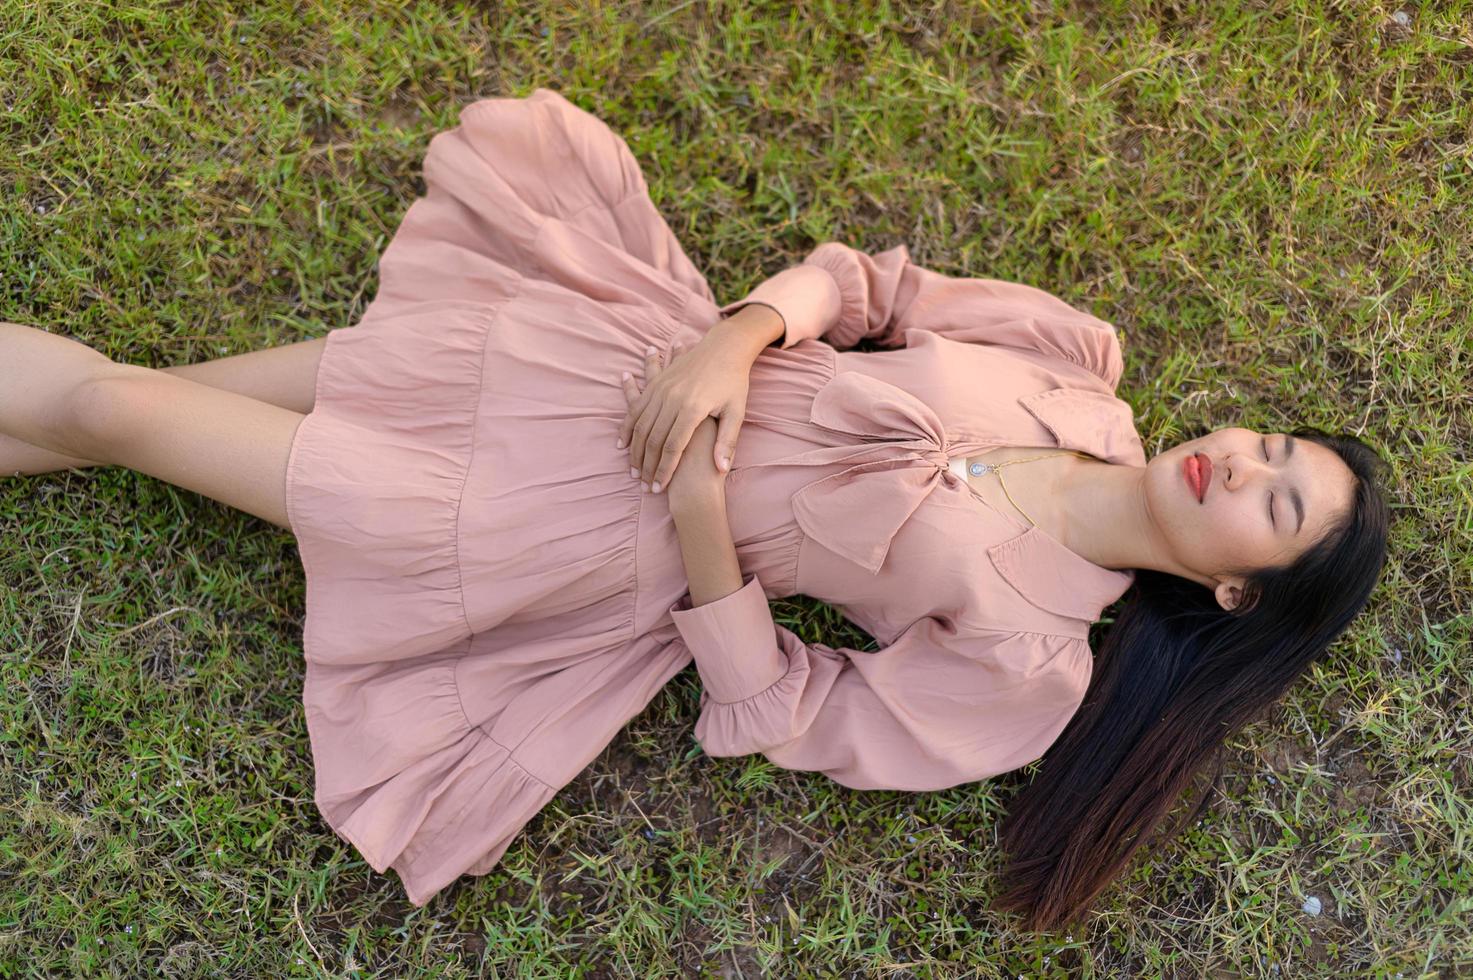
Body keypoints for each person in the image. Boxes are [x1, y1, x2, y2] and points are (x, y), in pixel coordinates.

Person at [1, 88, 1391, 930]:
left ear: (1236, 596)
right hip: (603, 359)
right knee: (118, 407)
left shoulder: (1029, 668)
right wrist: (734, 340)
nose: (1235, 458)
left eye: (1272, 503)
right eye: (1265, 439)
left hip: (570, 527)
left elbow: (791, 710)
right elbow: (867, 288)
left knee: (122, 414)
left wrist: (697, 522)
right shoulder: (1078, 367)